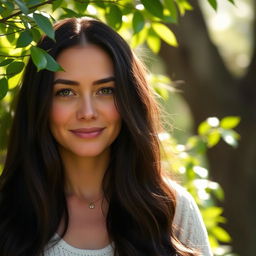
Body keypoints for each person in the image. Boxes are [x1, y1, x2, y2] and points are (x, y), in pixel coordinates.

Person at [0, 17, 212, 256]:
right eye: (66, 92)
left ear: (129, 100)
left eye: (105, 90)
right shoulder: (6, 212)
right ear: (39, 103)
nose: (88, 112)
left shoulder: (173, 210)